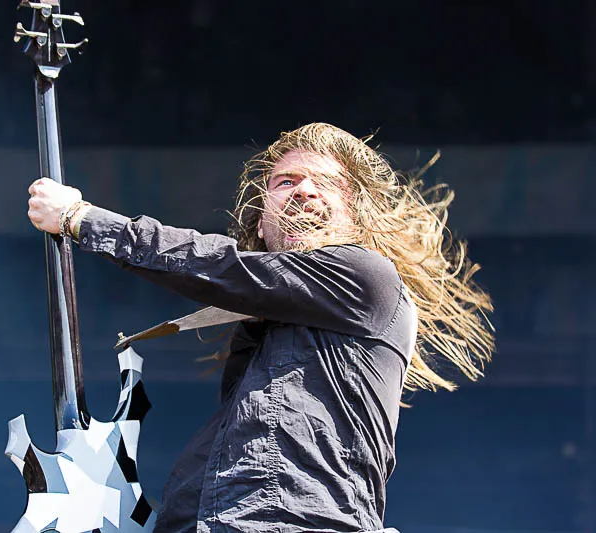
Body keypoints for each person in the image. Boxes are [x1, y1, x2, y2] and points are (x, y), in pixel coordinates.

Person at [27, 123, 495, 533]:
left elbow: (219, 265)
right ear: (262, 220)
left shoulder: (366, 275)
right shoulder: (266, 329)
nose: (304, 191)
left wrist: (81, 219)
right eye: (285, 181)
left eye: (326, 183)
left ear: (355, 217)